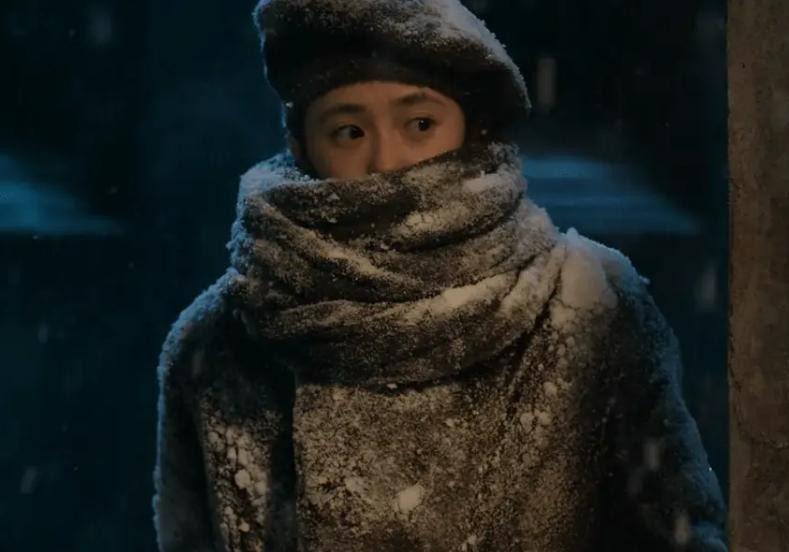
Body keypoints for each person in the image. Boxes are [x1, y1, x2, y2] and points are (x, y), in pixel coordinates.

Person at [152, 0, 728, 551]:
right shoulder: (217, 345)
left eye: (420, 123)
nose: (386, 161)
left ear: (470, 131)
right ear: (302, 147)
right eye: (349, 131)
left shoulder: (587, 309)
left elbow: (678, 538)